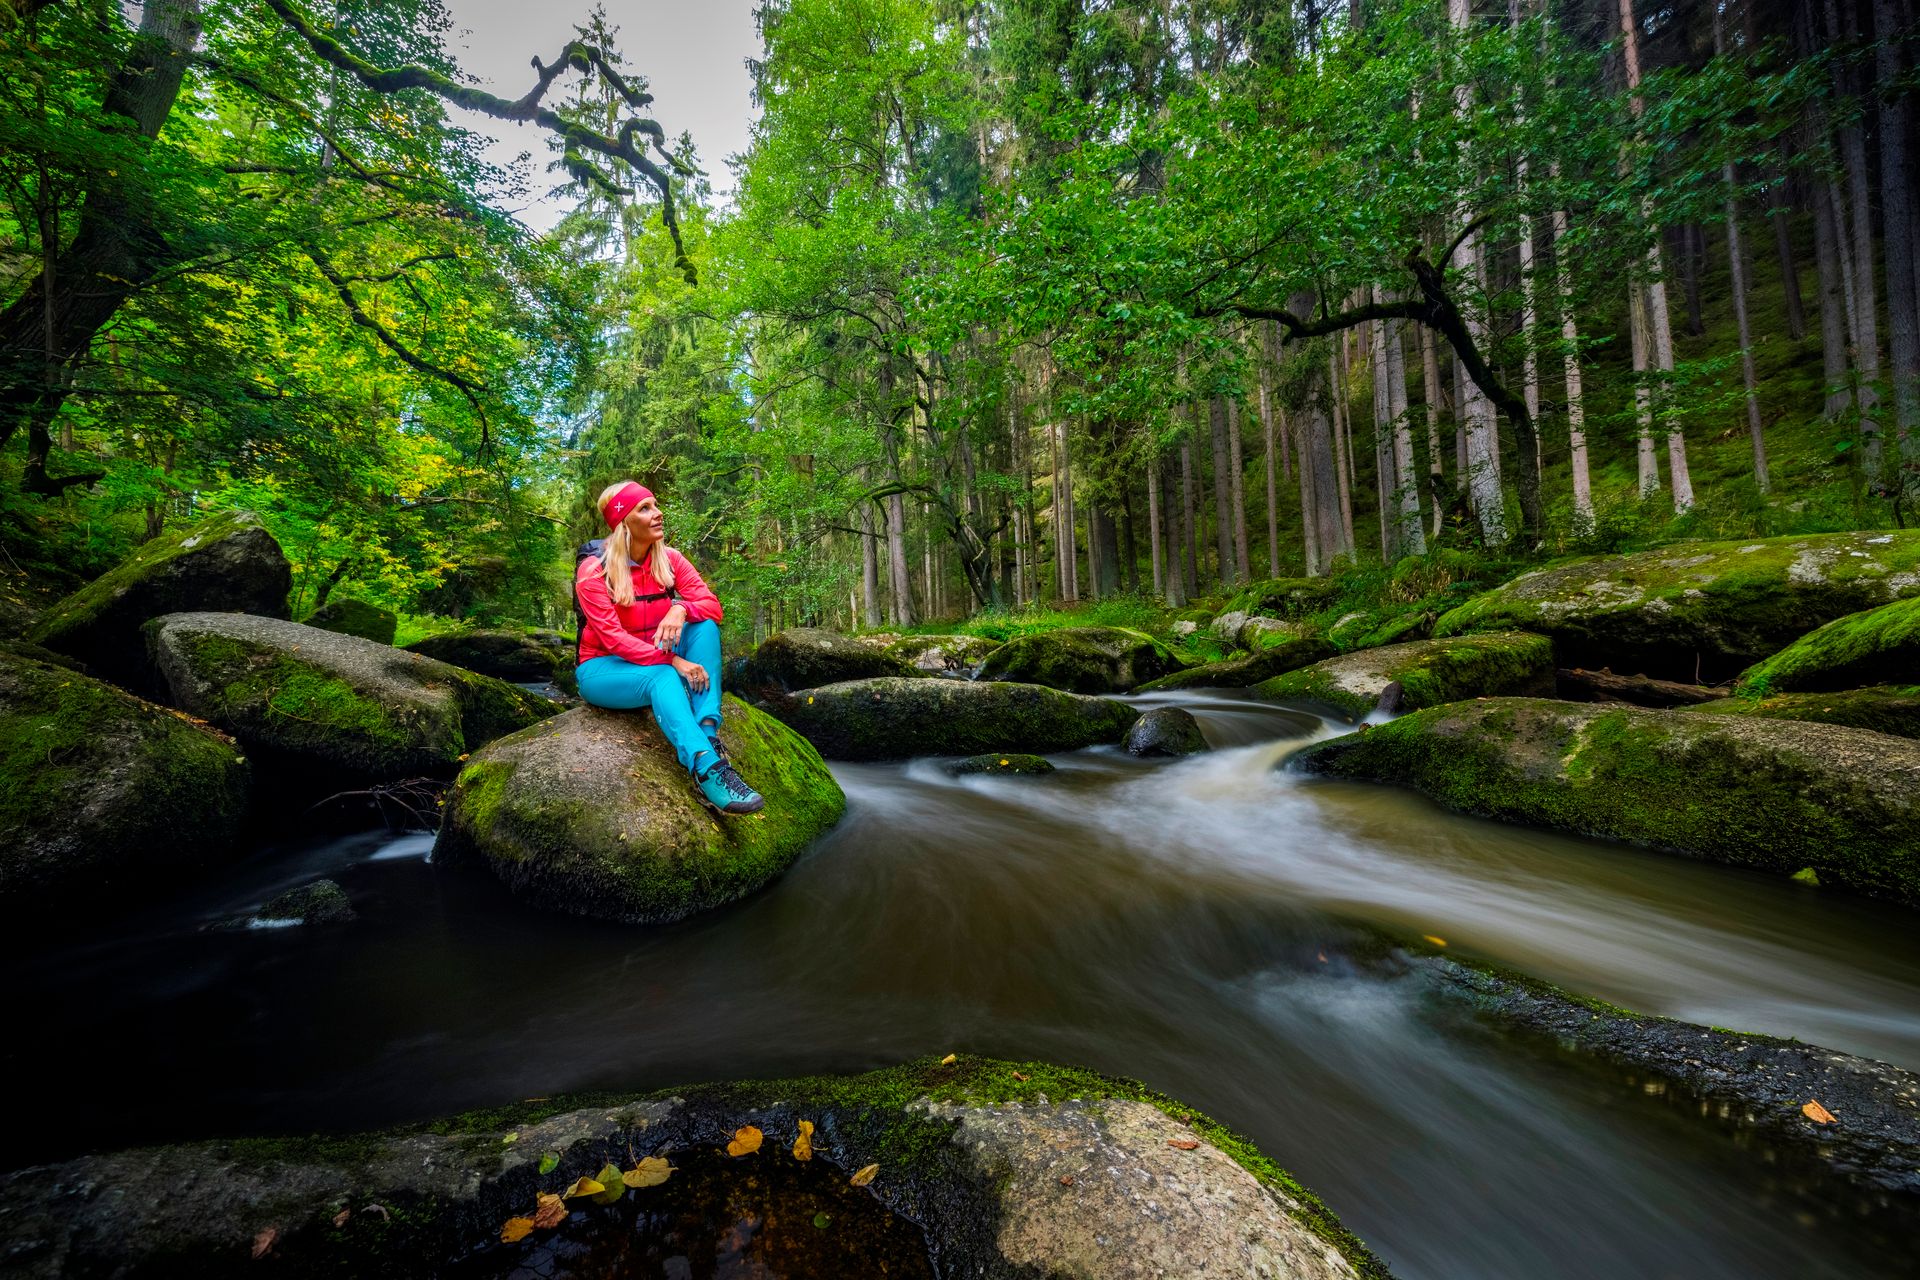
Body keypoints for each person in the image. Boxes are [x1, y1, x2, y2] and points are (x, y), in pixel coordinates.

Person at [573, 480, 765, 815]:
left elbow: (711, 605)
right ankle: (705, 767)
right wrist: (674, 660)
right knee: (662, 676)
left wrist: (681, 608)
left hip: (655, 652)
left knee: (704, 627)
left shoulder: (671, 560)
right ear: (623, 522)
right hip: (603, 668)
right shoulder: (594, 572)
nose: (658, 513)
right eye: (644, 508)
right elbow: (612, 639)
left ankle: (707, 731)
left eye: (655, 505)